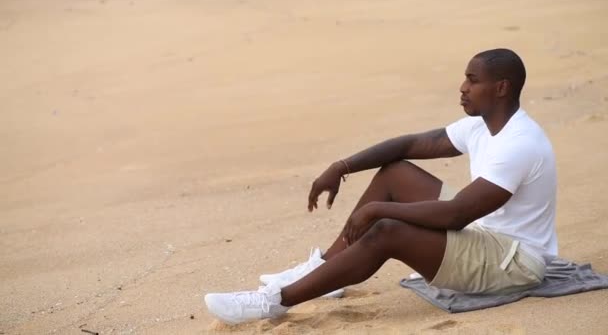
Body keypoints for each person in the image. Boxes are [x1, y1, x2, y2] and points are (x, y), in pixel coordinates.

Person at [204, 48, 558, 325]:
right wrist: (341, 167)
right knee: (396, 173)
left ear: (501, 88)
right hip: (487, 236)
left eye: (472, 80)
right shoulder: (482, 127)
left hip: (515, 264)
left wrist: (378, 210)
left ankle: (275, 301)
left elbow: (456, 213)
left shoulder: (519, 143)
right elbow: (406, 147)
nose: (463, 88)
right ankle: (327, 270)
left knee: (386, 231)